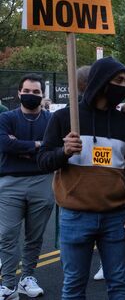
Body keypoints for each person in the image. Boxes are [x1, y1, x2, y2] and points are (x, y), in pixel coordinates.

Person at [37, 57, 125, 299]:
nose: (123, 85)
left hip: (116, 216)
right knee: (74, 285)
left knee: (119, 283)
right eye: (118, 80)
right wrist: (63, 152)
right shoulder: (64, 118)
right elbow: (43, 160)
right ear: (101, 81)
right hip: (75, 215)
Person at [0, 74, 54, 300]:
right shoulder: (6, 118)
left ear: (43, 95)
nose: (30, 95)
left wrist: (21, 147)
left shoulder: (51, 120)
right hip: (10, 183)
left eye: (36, 92)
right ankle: (8, 284)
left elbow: (52, 148)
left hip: (42, 181)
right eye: (27, 91)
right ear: (19, 93)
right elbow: (4, 144)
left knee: (35, 236)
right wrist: (38, 146)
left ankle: (27, 278)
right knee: (7, 235)